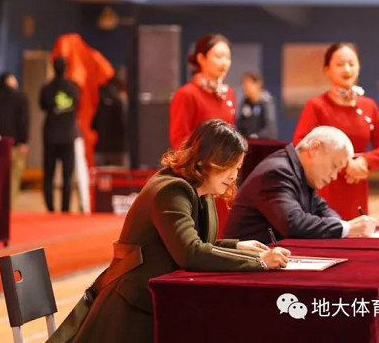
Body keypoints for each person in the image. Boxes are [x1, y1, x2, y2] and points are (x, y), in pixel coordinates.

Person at [70, 119, 290, 343]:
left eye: (238, 168)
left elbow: (198, 244)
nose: (234, 175)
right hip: (130, 312)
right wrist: (260, 262)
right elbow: (190, 253)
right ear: (207, 161)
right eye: (230, 166)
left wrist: (237, 246)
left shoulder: (200, 190)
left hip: (153, 304)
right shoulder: (171, 191)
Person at [223, 126, 377, 244]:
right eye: (334, 166)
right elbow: (293, 223)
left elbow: (322, 209)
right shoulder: (278, 172)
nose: (334, 176)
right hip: (243, 267)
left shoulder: (298, 170)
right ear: (315, 149)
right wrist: (347, 228)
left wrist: (340, 225)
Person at [292, 43, 379, 219]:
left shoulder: (369, 106)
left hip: (357, 183)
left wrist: (365, 162)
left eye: (351, 63)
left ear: (359, 67)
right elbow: (300, 144)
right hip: (324, 186)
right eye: (340, 64)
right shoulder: (316, 105)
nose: (347, 69)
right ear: (327, 69)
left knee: (357, 231)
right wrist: (345, 164)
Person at [169, 33, 236, 149]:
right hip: (197, 159)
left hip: (225, 159)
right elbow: (179, 140)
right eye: (218, 56)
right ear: (201, 59)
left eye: (227, 57)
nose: (224, 62)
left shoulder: (229, 93)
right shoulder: (186, 94)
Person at [39, 56, 80, 212]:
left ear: (53, 67)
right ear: (66, 68)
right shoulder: (73, 87)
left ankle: (50, 208)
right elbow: (77, 104)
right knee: (67, 175)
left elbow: (42, 105)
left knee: (48, 175)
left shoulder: (46, 88)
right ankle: (65, 209)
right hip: (68, 136)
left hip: (50, 136)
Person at [0, 72, 30, 206]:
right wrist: (24, 141)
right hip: (15, 145)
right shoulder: (21, 98)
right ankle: (8, 207)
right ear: (8, 81)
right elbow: (24, 121)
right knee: (13, 178)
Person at [92, 69, 127, 167]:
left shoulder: (98, 101)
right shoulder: (121, 103)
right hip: (118, 149)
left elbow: (93, 124)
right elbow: (125, 124)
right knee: (119, 175)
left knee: (100, 174)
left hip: (101, 147)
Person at [236, 72, 278, 139]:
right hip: (247, 141)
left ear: (258, 84)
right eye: (243, 84)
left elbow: (269, 128)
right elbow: (241, 124)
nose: (245, 87)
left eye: (248, 84)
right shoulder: (245, 103)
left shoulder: (266, 102)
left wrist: (256, 136)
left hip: (263, 142)